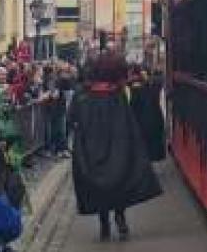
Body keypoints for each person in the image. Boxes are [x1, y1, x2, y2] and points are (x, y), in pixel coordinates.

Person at [69, 52, 161, 241]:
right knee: (120, 180)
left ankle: (104, 223)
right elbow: (130, 121)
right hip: (118, 146)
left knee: (98, 184)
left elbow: (73, 119)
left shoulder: (83, 94)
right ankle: (120, 217)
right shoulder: (117, 94)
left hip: (92, 147)